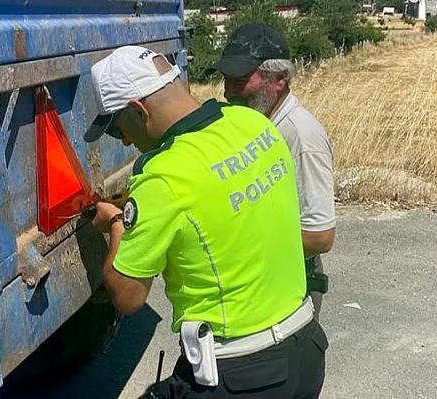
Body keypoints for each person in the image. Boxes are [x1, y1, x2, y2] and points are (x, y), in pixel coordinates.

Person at [84, 45, 328, 398]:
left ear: (139, 111)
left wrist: (119, 224)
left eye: (117, 127)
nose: (123, 139)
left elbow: (128, 296)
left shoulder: (163, 177)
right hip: (307, 350)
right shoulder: (254, 123)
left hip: (241, 376)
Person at [209, 23, 337, 319]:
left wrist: (236, 235)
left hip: (292, 284)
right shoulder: (258, 124)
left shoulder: (301, 136)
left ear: (279, 79)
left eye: (240, 81)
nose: (228, 92)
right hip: (264, 279)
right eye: (227, 79)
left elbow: (320, 237)